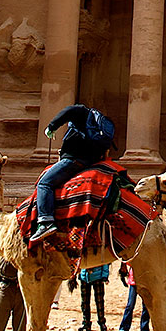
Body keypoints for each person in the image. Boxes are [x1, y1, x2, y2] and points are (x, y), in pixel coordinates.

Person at [30, 103, 116, 244]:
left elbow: (70, 110)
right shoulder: (100, 123)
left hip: (73, 160)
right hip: (89, 161)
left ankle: (46, 222)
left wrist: (52, 126)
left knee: (44, 183)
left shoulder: (82, 112)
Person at [117, 263, 150, 331]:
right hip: (133, 280)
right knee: (130, 305)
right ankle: (123, 328)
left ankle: (144, 329)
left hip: (145, 280)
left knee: (146, 305)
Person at [77, 263, 110, 331]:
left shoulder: (99, 251)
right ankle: (86, 323)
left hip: (98, 277)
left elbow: (104, 261)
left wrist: (104, 275)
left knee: (99, 301)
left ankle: (102, 323)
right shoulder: (83, 252)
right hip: (84, 277)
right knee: (84, 302)